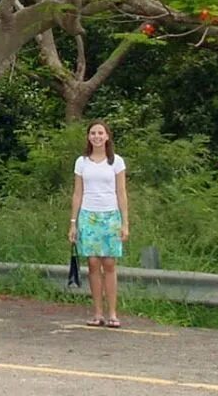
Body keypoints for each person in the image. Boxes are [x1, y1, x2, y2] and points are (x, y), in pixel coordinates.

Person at [67, 120, 130, 328]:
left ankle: (112, 313)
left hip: (110, 216)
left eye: (100, 133)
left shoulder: (116, 162)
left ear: (107, 136)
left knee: (109, 263)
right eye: (93, 133)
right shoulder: (82, 162)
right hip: (88, 216)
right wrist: (73, 223)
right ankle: (97, 313)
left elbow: (121, 193)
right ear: (88, 137)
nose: (96, 136)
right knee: (93, 263)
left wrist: (124, 222)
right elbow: (78, 193)